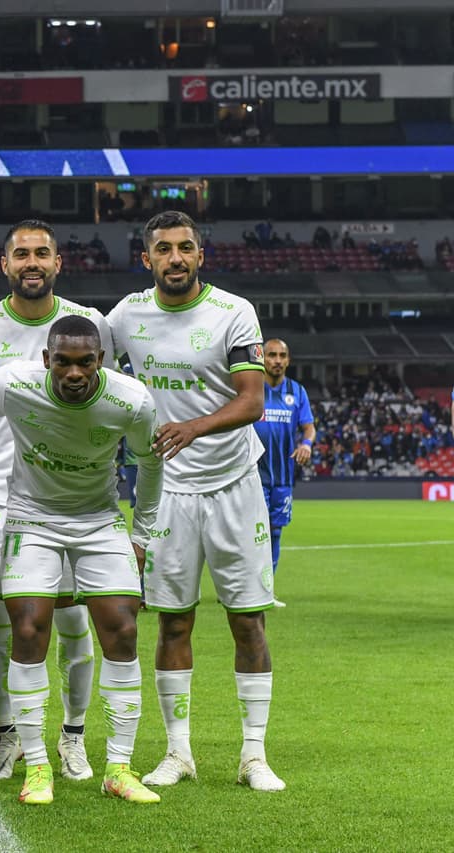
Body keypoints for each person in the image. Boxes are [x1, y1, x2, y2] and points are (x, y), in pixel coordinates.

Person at [107, 210, 285, 793]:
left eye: (185, 247)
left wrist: (192, 426)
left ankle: (253, 755)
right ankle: (178, 753)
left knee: (248, 621)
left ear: (200, 256)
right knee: (173, 622)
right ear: (147, 259)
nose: (175, 258)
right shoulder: (127, 315)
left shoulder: (235, 312)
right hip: (168, 493)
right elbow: (72, 343)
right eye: (164, 249)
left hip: (235, 483)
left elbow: (252, 400)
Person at [0, 315, 163, 805]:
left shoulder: (130, 400)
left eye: (86, 363)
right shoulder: (14, 382)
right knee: (28, 628)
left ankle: (118, 766)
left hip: (99, 519)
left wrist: (143, 535)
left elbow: (149, 462)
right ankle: (36, 768)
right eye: (64, 362)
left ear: (101, 362)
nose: (75, 373)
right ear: (46, 360)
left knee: (122, 627)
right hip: (31, 517)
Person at [0, 219, 112, 783]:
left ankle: (72, 737)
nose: (32, 262)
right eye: (22, 254)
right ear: (5, 264)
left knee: (70, 621)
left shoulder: (87, 326)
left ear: (58, 262)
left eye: (42, 252)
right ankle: (8, 735)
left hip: (67, 492)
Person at [253, 338, 315, 608]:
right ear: (262, 359)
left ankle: (266, 590)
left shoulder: (297, 392)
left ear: (288, 361)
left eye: (282, 356)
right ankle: (245, 588)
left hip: (283, 476)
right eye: (271, 355)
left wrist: (306, 444)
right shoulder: (251, 389)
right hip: (252, 474)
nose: (277, 360)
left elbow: (308, 428)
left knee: (275, 531)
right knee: (254, 533)